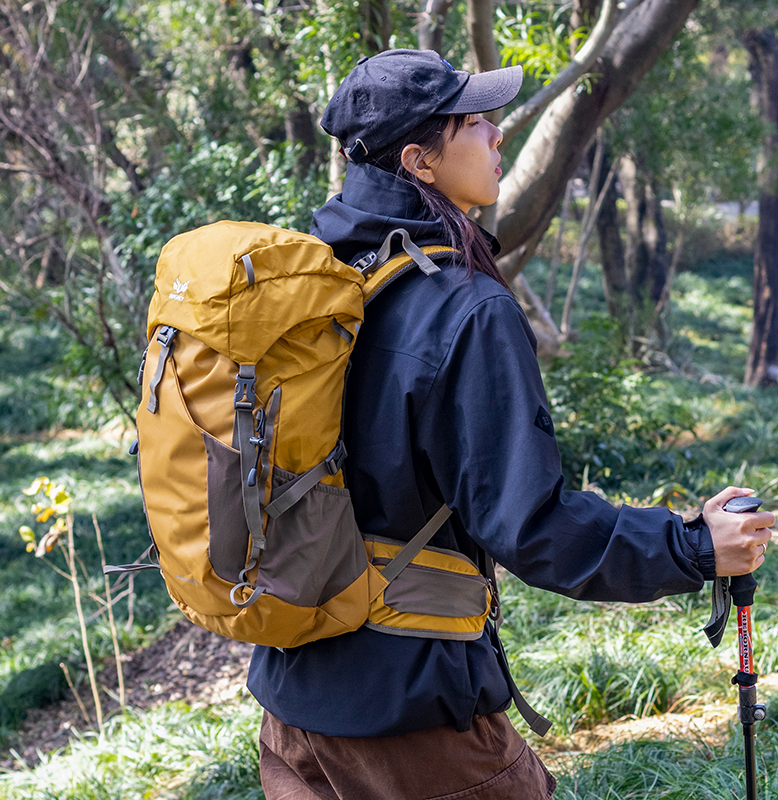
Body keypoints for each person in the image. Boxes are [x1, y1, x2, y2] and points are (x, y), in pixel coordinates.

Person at [246, 49, 775, 800]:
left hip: (289, 705)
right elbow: (532, 527)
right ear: (419, 161)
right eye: (478, 123)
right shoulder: (464, 308)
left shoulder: (308, 283)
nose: (499, 135)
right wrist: (692, 547)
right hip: (411, 720)